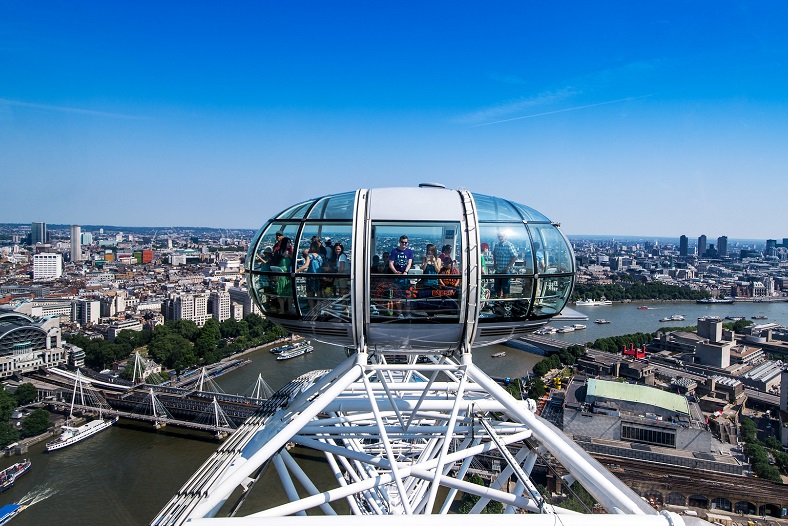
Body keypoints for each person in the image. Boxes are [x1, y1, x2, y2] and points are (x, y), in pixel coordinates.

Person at [388, 235, 413, 317]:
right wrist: (395, 272)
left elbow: (409, 263)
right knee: (398, 296)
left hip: (405, 278)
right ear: (399, 242)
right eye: (402, 242)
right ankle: (400, 313)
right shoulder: (394, 251)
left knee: (407, 296)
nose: (404, 244)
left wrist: (406, 271)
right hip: (397, 277)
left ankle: (407, 313)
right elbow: (391, 263)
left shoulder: (409, 252)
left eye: (406, 243)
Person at [297, 241, 323, 310]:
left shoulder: (310, 256)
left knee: (310, 294)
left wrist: (296, 271)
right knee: (319, 294)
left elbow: (306, 266)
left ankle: (312, 310)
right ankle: (318, 309)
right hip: (319, 276)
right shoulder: (320, 256)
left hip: (310, 277)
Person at [491, 231, 517, 299]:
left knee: (505, 287)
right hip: (498, 269)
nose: (500, 238)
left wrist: (509, 266)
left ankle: (505, 301)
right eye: (499, 236)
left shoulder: (509, 245)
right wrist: (495, 263)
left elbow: (515, 256)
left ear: (505, 237)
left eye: (501, 236)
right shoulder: (496, 245)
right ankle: (499, 299)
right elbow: (494, 254)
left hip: (506, 270)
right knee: (497, 286)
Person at [272, 236, 294, 312]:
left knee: (290, 293)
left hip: (288, 275)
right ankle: (282, 309)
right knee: (281, 293)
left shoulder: (291, 253)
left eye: (290, 242)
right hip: (281, 274)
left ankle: (289, 309)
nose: (289, 244)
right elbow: (274, 262)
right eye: (288, 242)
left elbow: (294, 263)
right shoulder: (278, 252)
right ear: (284, 243)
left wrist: (291, 256)